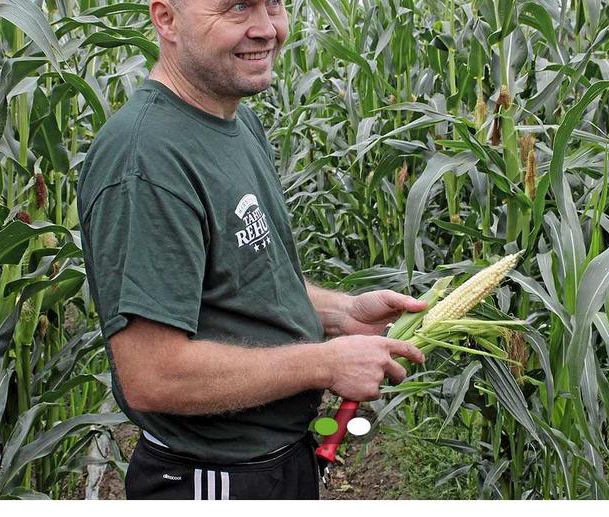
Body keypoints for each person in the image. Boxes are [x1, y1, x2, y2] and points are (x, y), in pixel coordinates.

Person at [76, 0, 427, 500]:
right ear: (166, 19)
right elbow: (153, 375)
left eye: (274, 4)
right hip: (212, 478)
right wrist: (325, 364)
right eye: (237, 8)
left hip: (271, 463)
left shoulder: (234, 122)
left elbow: (243, 281)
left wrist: (341, 312)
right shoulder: (147, 159)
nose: (266, 29)